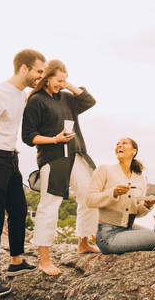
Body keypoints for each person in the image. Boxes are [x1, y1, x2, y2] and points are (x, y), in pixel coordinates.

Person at [0, 49, 45, 297]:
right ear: (24, 68)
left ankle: (16, 261)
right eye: (38, 71)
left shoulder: (20, 94)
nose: (40, 76)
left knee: (18, 210)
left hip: (10, 157)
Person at [22, 59, 99, 276]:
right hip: (53, 159)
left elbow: (90, 101)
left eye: (65, 80)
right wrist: (54, 139)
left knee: (89, 197)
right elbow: (28, 136)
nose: (62, 84)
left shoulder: (67, 97)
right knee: (49, 206)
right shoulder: (36, 101)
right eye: (58, 80)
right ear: (46, 79)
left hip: (77, 154)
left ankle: (83, 242)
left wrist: (69, 86)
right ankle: (44, 259)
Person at [86, 138, 155, 254]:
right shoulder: (104, 170)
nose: (119, 146)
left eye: (124, 143)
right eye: (117, 144)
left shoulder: (140, 178)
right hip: (107, 235)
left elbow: (137, 212)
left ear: (134, 151)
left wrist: (146, 206)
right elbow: (89, 200)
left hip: (129, 228)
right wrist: (113, 193)